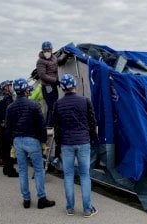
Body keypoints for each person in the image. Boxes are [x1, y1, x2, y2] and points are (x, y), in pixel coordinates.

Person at [53, 74, 99, 218]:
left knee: (68, 175)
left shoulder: (58, 104)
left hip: (66, 143)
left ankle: (70, 208)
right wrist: (93, 139)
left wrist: (58, 147)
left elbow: (57, 128)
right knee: (85, 175)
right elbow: (92, 123)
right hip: (83, 142)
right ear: (75, 85)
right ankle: (87, 209)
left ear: (62, 88)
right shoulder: (85, 101)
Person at [6, 78, 56, 209]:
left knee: (22, 171)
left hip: (17, 141)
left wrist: (12, 142)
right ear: (26, 90)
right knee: (38, 170)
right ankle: (41, 199)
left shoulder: (10, 107)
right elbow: (41, 125)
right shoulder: (34, 105)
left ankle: (26, 200)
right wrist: (44, 140)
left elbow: (9, 128)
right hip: (32, 140)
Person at [0, 80, 18, 177]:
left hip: (2, 126)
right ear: (6, 88)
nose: (11, 87)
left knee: (4, 149)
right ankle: (10, 170)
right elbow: (10, 113)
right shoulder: (8, 99)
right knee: (8, 149)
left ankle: (6, 168)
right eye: (10, 85)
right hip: (7, 127)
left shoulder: (2, 99)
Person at [36, 41, 59, 127]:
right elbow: (42, 75)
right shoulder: (40, 61)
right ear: (42, 50)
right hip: (47, 86)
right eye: (45, 50)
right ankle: (49, 125)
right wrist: (55, 80)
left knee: (54, 104)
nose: (47, 52)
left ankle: (52, 123)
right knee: (51, 105)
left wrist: (65, 57)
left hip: (53, 85)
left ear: (52, 50)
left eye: (49, 50)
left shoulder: (54, 58)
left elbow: (58, 62)